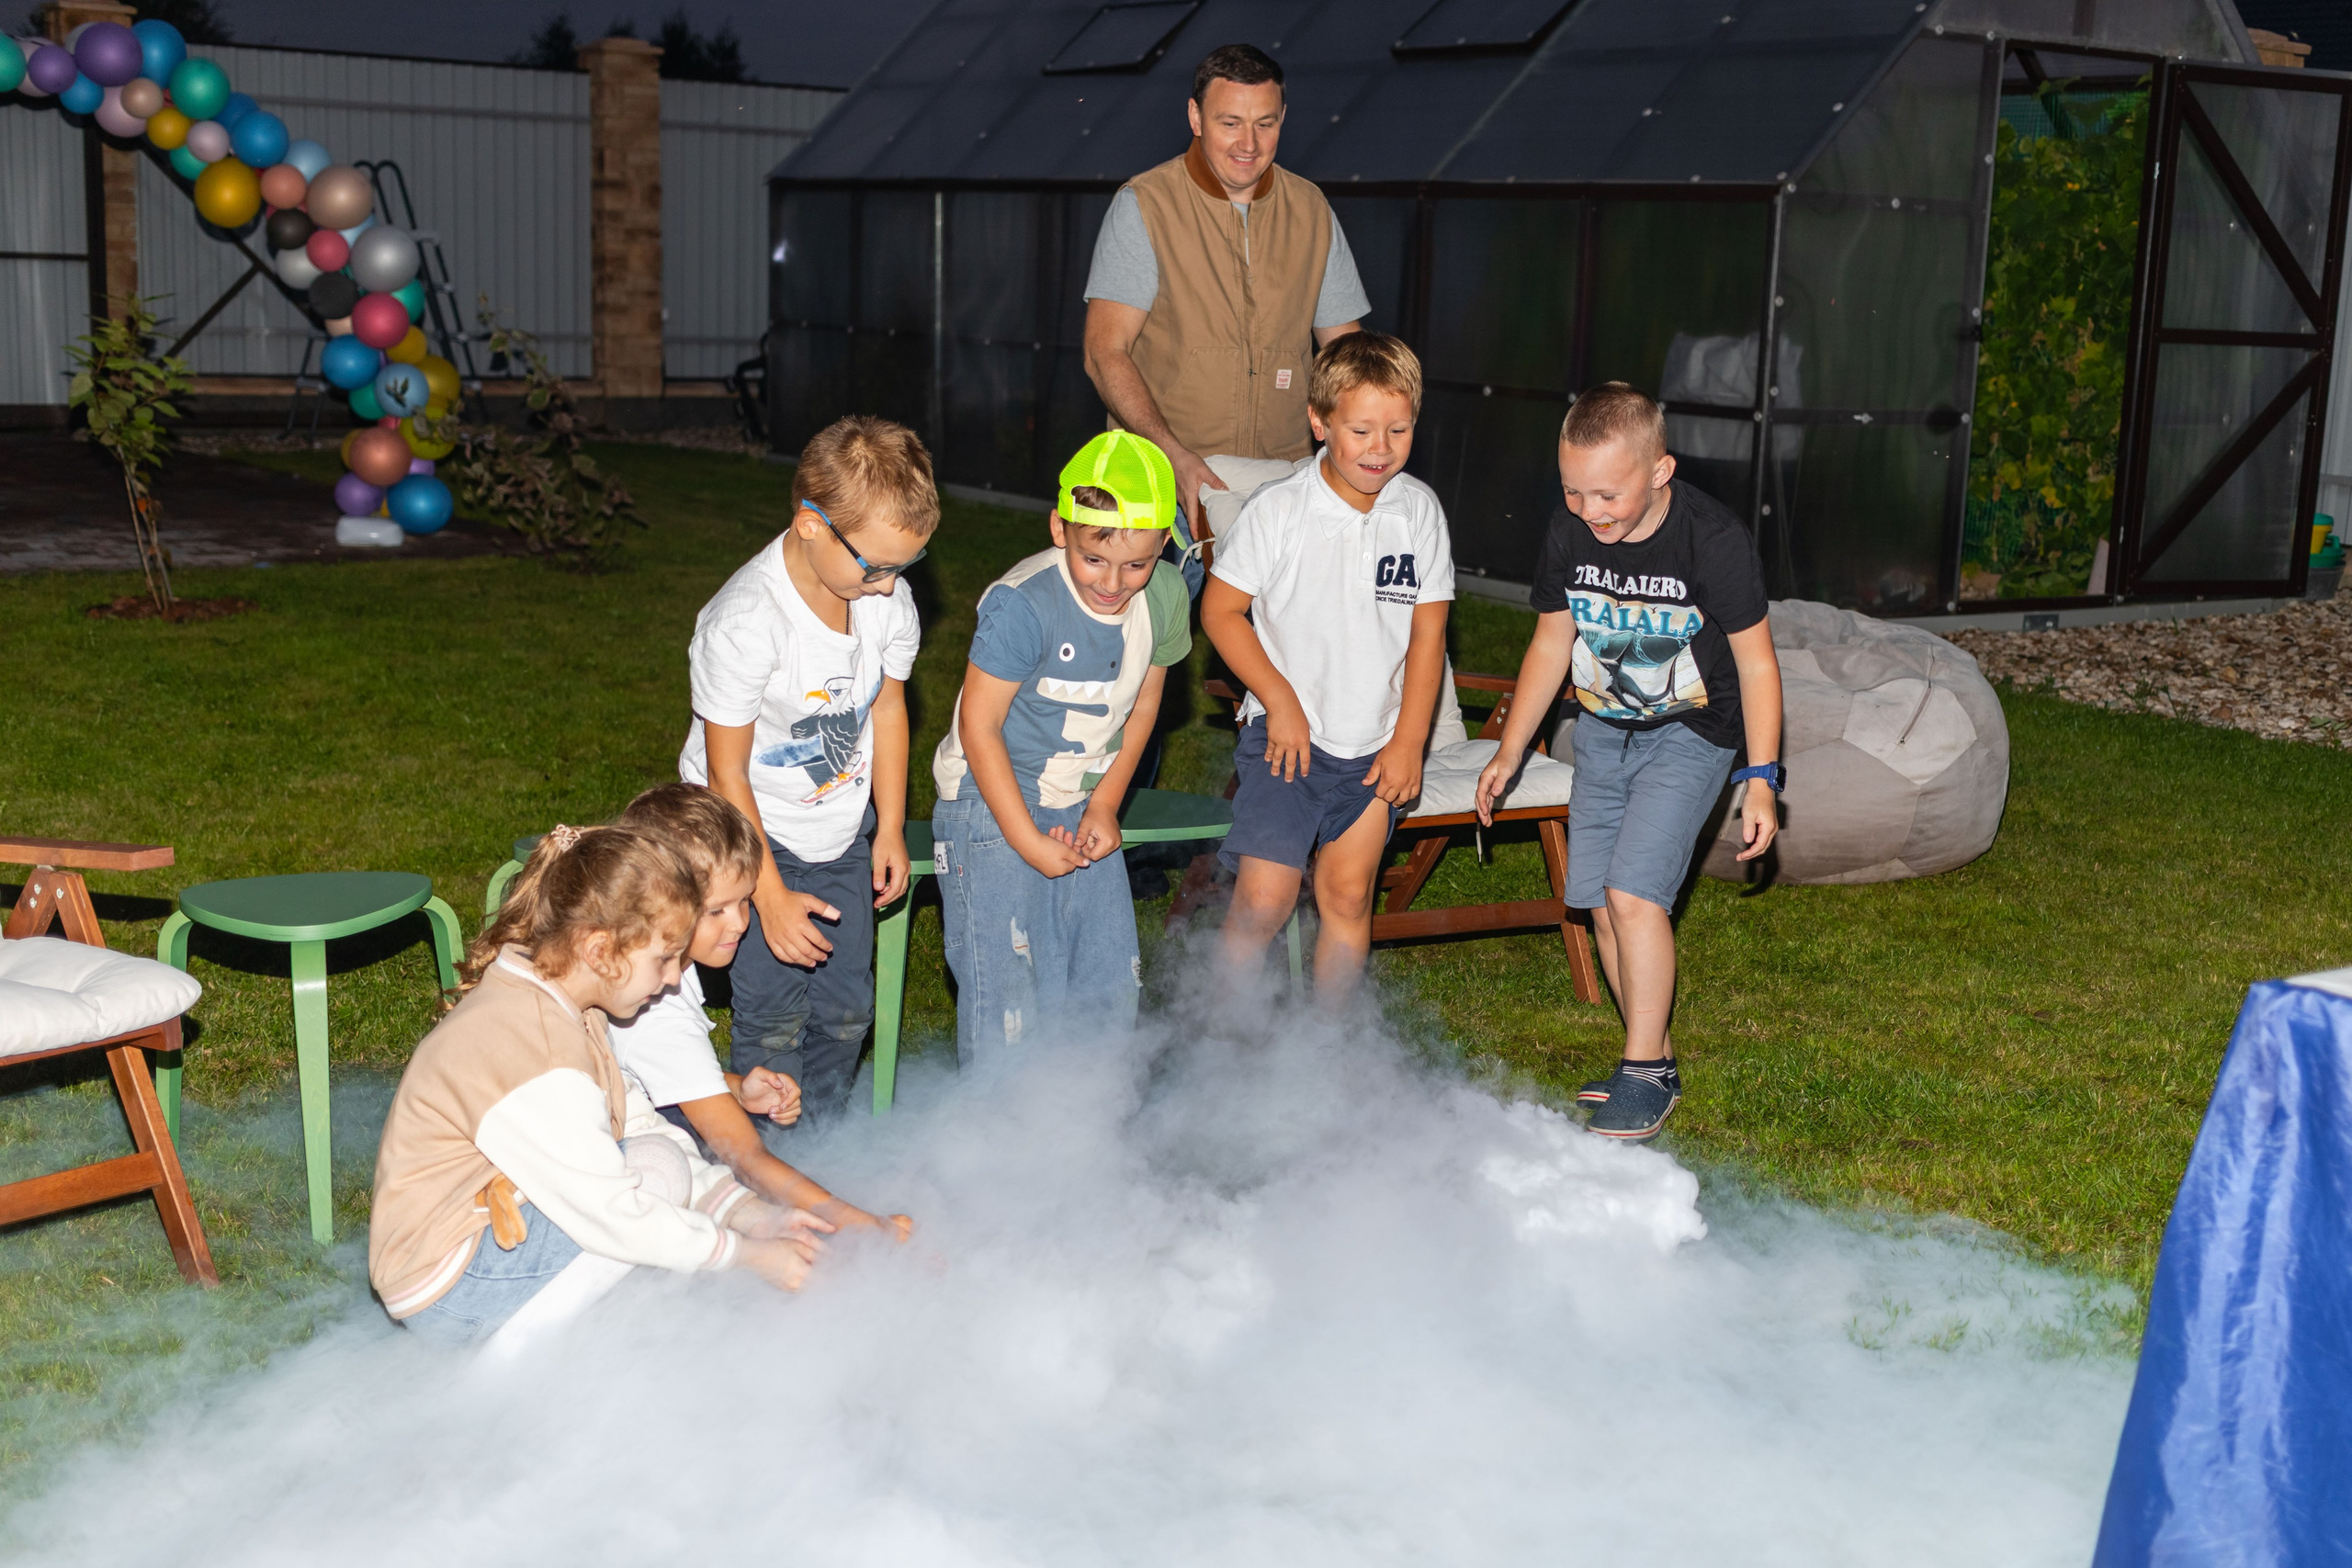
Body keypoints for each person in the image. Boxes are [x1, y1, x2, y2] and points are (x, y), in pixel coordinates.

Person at [369, 824, 830, 1348]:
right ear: (600, 951)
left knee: (655, 1158)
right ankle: (504, 1371)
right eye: (663, 959)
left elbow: (636, 1124)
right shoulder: (539, 1048)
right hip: (448, 1284)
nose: (674, 979)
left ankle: (591, 1337)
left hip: (477, 1243)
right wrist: (745, 1254)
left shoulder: (561, 997)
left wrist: (751, 1216)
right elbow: (613, 1215)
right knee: (653, 1179)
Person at [1473, 383, 1784, 1143]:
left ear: (1660, 471)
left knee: (1634, 892)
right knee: (1599, 904)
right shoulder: (1570, 531)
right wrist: (1510, 748)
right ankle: (1657, 1062)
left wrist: (1762, 778)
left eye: (1607, 493)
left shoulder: (1712, 540)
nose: (1590, 510)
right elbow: (1552, 641)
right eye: (1573, 491)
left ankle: (1642, 1066)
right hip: (1603, 730)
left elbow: (1758, 666)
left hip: (1693, 729)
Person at [678, 415, 937, 1129]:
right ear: (812, 524)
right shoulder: (745, 623)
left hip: (839, 830)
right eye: (877, 566)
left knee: (848, 1011)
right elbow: (725, 775)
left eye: (904, 568)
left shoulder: (882, 603)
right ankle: (761, 1165)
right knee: (772, 1020)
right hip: (747, 836)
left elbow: (887, 709)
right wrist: (768, 896)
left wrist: (888, 826)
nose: (889, 587)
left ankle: (821, 1149)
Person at [1202, 333, 1453, 1001]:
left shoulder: (1419, 512)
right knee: (1263, 900)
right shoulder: (1280, 511)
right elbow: (1221, 611)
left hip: (1374, 745)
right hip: (1288, 740)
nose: (1381, 447)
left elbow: (1429, 636)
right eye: (1362, 429)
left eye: (1398, 429)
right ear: (1320, 423)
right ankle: (1219, 1048)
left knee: (1347, 896)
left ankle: (1325, 1061)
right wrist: (1279, 702)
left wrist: (1408, 741)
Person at [929, 432, 1192, 1055]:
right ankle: (996, 1140)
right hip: (990, 798)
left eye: (1137, 563)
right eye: (1094, 557)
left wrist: (1105, 804)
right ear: (1060, 528)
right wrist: (1025, 839)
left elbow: (1145, 704)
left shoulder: (1165, 597)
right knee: (1010, 997)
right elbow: (980, 727)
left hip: (1081, 796)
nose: (1113, 582)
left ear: (1163, 545)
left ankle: (1085, 1132)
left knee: (1105, 980)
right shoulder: (1023, 604)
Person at [1082, 41, 1369, 591]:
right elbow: (1104, 353)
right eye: (1230, 122)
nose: (1249, 143)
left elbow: (1348, 358)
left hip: (1282, 484)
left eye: (1265, 123)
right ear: (1194, 116)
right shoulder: (1145, 205)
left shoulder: (1311, 210)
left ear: (1283, 118)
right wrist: (1173, 457)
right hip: (1160, 482)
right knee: (1143, 651)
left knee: (1282, 656)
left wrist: (1359, 450)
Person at [611, 783, 912, 1238]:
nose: (740, 923)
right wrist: (865, 1227)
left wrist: (732, 1087)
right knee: (711, 1177)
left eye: (745, 901)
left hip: (620, 1137)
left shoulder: (650, 969)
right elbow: (748, 1159)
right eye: (716, 911)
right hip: (612, 1179)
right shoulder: (655, 1013)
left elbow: (650, 1086)